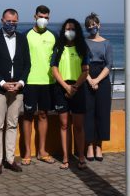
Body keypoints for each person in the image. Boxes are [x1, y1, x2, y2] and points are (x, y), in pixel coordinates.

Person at [0, 8, 30, 175]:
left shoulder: (23, 38)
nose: (11, 24)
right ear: (2, 20)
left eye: (14, 21)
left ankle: (10, 159)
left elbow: (27, 64)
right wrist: (3, 83)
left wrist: (21, 82)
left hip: (18, 89)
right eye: (8, 21)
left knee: (12, 124)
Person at [51, 18, 90, 170]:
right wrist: (66, 87)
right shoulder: (58, 47)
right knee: (64, 124)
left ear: (77, 31)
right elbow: (54, 69)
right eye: (67, 29)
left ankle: (81, 157)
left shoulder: (82, 47)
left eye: (73, 29)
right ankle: (66, 158)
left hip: (78, 88)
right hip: (62, 88)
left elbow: (86, 70)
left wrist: (74, 87)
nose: (70, 31)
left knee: (79, 126)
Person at [22, 5, 57, 166]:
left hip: (48, 82)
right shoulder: (25, 36)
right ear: (35, 16)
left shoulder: (53, 36)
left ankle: (42, 151)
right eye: (41, 16)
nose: (44, 20)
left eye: (46, 17)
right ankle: (27, 152)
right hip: (29, 82)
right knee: (28, 116)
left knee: (43, 115)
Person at [83, 12, 113, 162]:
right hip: (87, 75)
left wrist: (97, 80)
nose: (91, 28)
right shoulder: (83, 42)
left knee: (102, 113)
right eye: (89, 26)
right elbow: (81, 64)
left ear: (99, 25)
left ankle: (99, 146)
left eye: (94, 25)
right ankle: (89, 145)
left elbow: (109, 65)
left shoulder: (107, 43)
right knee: (88, 113)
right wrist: (89, 80)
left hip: (103, 78)